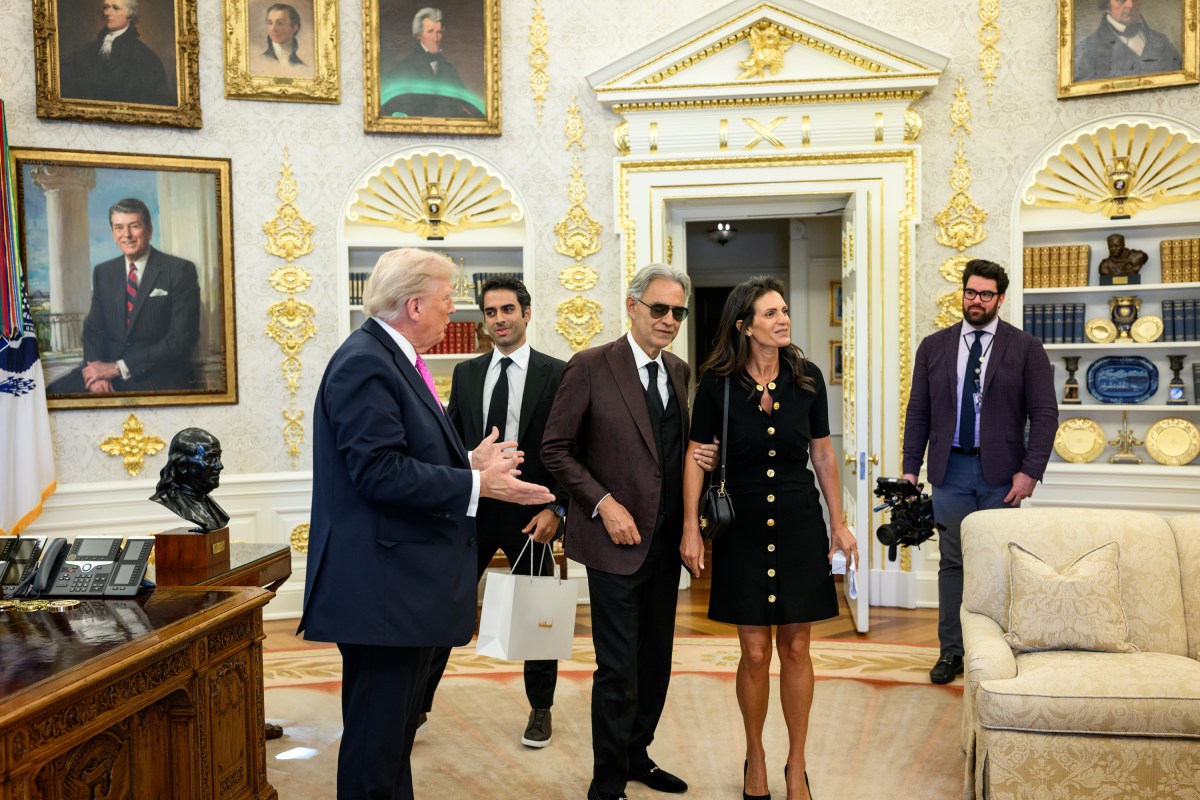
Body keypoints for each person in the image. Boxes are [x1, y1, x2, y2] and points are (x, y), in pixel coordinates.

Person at [298, 248, 553, 800]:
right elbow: (377, 472)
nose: (453, 311)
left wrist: (467, 462)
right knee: (375, 744)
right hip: (383, 588)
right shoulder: (366, 360)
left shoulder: (390, 357)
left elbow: (398, 455)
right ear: (414, 305)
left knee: (391, 741)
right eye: (446, 300)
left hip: (395, 583)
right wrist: (479, 485)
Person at [543, 264, 717, 800]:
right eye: (659, 308)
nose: (668, 320)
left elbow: (675, 454)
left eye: (678, 312)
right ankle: (607, 780)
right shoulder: (591, 366)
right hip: (612, 544)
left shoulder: (682, 372)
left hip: (666, 546)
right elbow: (555, 449)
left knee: (655, 663)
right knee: (617, 668)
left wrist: (703, 461)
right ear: (633, 306)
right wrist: (602, 503)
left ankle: (638, 755)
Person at [681, 276, 857, 800]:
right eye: (770, 313)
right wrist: (692, 528)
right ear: (745, 326)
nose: (783, 319)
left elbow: (823, 454)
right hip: (743, 528)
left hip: (801, 523)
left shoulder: (807, 378)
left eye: (784, 309)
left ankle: (795, 764)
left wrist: (839, 522)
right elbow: (696, 457)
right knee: (755, 652)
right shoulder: (716, 383)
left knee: (798, 646)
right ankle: (755, 756)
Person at [420, 276, 568, 748]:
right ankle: (417, 706)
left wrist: (558, 509)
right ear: (482, 320)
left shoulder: (559, 373)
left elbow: (571, 447)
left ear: (527, 313)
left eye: (508, 310)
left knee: (537, 617)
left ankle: (540, 710)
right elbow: (450, 444)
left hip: (531, 513)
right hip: (475, 510)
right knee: (444, 606)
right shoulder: (466, 374)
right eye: (490, 312)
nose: (499, 319)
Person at [902, 259, 1058, 685]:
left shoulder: (1025, 348)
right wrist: (910, 469)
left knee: (998, 565)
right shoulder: (934, 346)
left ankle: (997, 652)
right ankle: (951, 652)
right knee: (952, 562)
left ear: (1000, 298)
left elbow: (1045, 415)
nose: (976, 301)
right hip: (949, 471)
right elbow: (919, 412)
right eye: (970, 292)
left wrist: (1029, 473)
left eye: (986, 294)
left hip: (1002, 477)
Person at [49, 198, 200, 395]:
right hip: (106, 372)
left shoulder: (179, 270)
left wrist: (117, 368)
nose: (126, 235)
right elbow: (93, 330)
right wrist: (96, 374)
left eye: (134, 226)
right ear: (113, 234)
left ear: (149, 230)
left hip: (155, 374)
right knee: (48, 397)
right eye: (119, 227)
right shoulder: (104, 272)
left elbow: (179, 340)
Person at [59, 0, 174, 106]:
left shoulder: (146, 59)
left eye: (115, 8)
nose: (107, 13)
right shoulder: (87, 51)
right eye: (106, 7)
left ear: (130, 15)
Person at [380, 6, 483, 119]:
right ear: (418, 35)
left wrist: (485, 118)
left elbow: (465, 98)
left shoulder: (448, 68)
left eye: (439, 32)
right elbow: (389, 106)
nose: (436, 38)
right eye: (430, 32)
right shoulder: (405, 68)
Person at [1074, 0, 1182, 82]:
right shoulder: (1086, 50)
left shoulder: (1161, 41)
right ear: (1106, 5)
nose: (1130, 5)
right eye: (1122, 0)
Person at [149, 428, 228, 532]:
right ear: (183, 466)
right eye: (209, 459)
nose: (220, 466)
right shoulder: (169, 500)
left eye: (219, 457)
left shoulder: (214, 509)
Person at [250, 3, 309, 77]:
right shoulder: (256, 62)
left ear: (294, 28)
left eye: (280, 23)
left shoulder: (303, 68)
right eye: (270, 23)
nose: (273, 29)